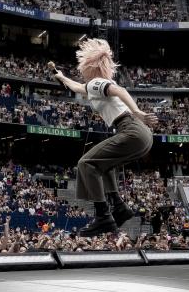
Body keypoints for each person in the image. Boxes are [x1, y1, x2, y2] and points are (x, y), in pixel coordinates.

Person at [50, 38, 157, 236]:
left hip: (131, 128)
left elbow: (120, 90)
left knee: (86, 163)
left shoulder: (96, 83)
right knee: (104, 165)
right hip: (142, 135)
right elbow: (78, 88)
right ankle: (118, 206)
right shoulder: (95, 85)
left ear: (89, 66)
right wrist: (62, 77)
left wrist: (137, 111)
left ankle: (103, 217)